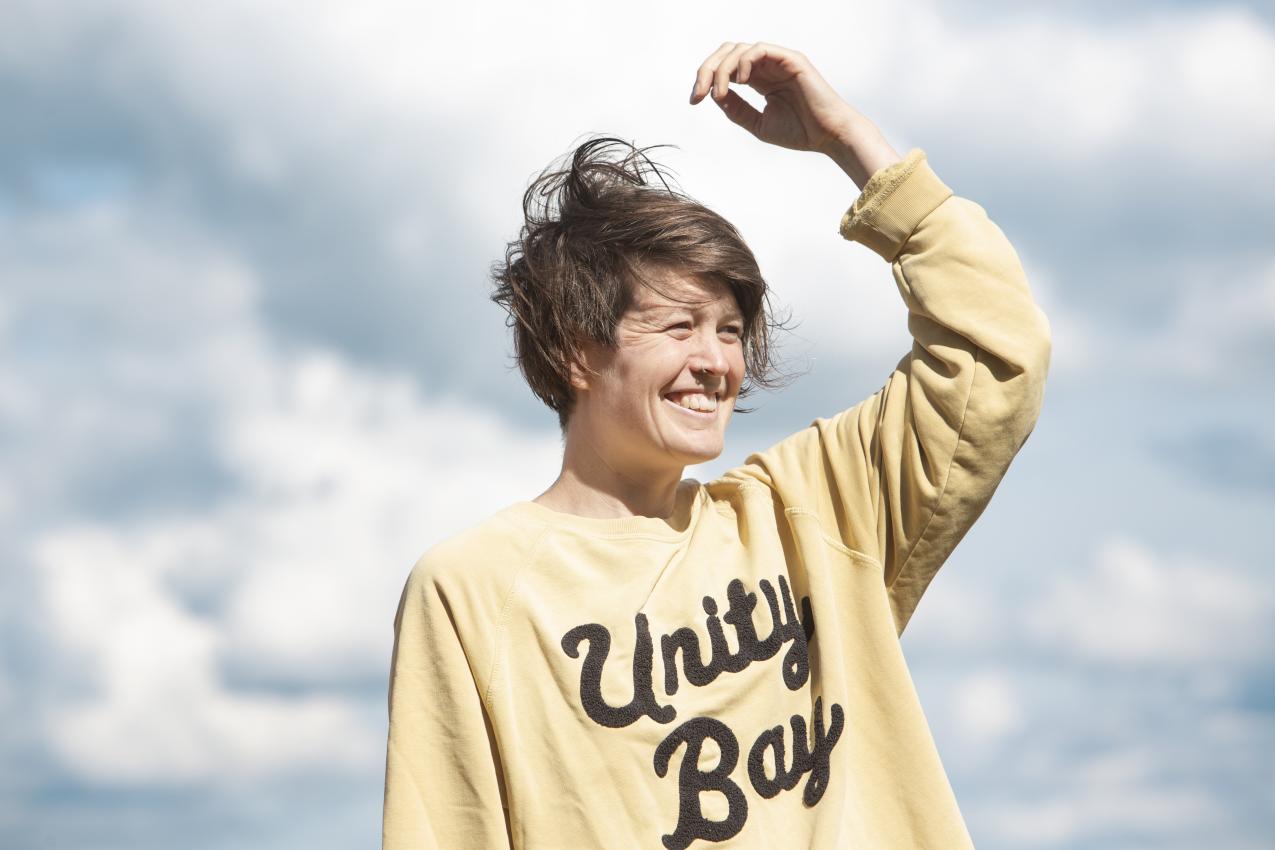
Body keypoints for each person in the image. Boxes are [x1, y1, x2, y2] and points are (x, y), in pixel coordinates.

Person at [382, 41, 1051, 850]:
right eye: (677, 327)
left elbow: (995, 350)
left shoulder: (810, 512)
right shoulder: (472, 588)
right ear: (573, 350)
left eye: (730, 331)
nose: (716, 362)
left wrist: (851, 145)